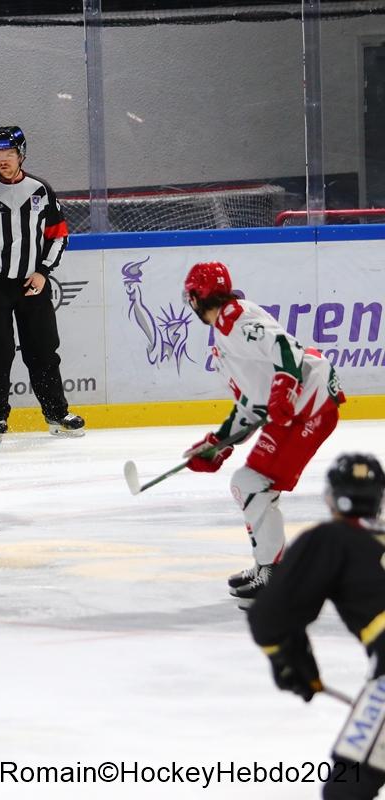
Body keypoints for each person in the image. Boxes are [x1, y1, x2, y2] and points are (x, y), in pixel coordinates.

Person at [182, 261, 344, 605]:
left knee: (251, 483)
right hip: (300, 408)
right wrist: (217, 444)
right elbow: (253, 404)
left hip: (310, 405)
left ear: (196, 297)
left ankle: (274, 574)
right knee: (251, 484)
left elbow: (285, 347)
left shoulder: (235, 319)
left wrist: (285, 387)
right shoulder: (224, 330)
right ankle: (267, 566)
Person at [247, 453, 385, 799]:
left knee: (347, 789)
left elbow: (270, 618)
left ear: (330, 497)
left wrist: (292, 664)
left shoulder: (332, 538)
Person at [0, 125, 83, 440]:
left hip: (32, 285)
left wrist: (43, 271)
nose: (3, 160)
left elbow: (58, 235)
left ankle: (56, 414)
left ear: (21, 154)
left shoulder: (41, 190)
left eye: (9, 153)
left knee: (43, 350)